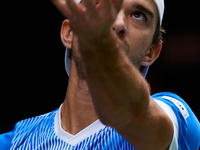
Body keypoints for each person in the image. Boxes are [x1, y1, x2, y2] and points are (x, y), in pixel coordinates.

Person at [1, 0, 200, 149]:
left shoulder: (178, 120)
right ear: (69, 33)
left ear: (151, 51)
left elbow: (138, 117)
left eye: (138, 15)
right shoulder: (15, 141)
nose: (118, 23)